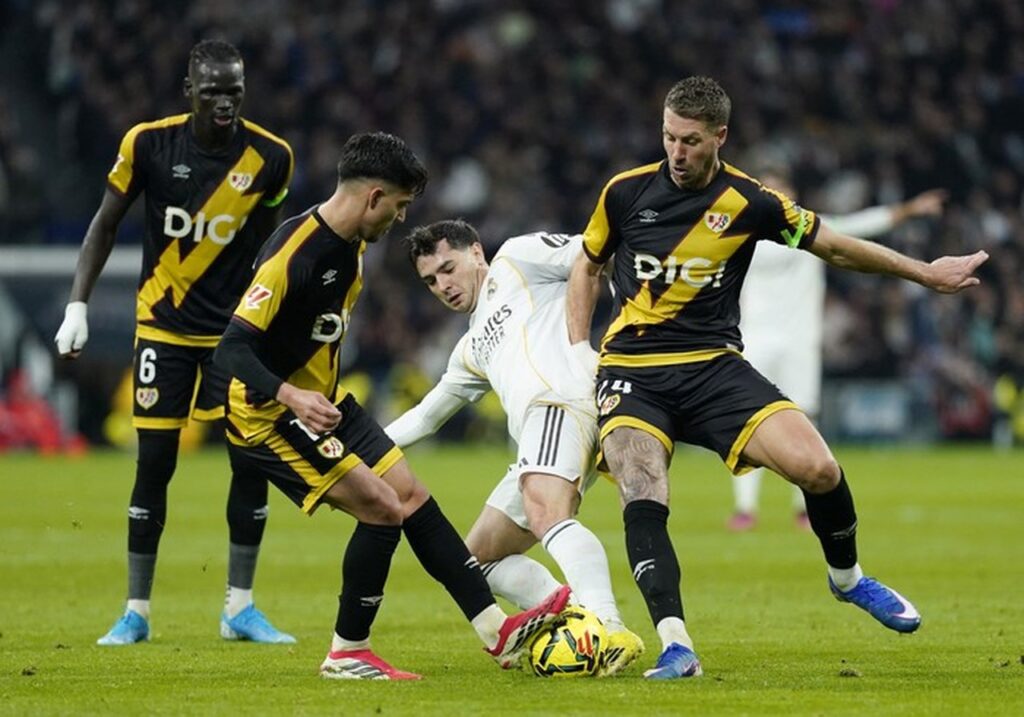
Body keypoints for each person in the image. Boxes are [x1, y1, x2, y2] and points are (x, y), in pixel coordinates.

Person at [566, 75, 988, 679]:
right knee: (642, 485)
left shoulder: (752, 202)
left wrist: (925, 272)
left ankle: (848, 579)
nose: (676, 153)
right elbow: (587, 266)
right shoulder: (625, 192)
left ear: (720, 136)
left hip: (714, 367)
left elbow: (834, 245)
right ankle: (676, 643)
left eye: (690, 141)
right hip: (634, 370)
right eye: (668, 137)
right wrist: (579, 351)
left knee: (819, 468)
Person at [214, 132, 570, 680]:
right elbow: (231, 348)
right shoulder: (294, 256)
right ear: (374, 197)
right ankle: (347, 652)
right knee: (382, 507)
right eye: (399, 206)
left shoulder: (351, 246)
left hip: (324, 402)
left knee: (412, 495)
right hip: (269, 413)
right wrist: (291, 395)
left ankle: (495, 630)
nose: (400, 219)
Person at [54, 40, 296, 646]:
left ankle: (240, 608)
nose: (224, 102)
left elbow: (270, 249)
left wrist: (271, 321)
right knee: (155, 464)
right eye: (212, 91)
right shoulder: (148, 144)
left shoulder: (272, 157)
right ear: (189, 91)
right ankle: (136, 612)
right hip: (163, 328)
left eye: (234, 91)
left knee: (250, 462)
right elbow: (105, 223)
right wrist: (77, 305)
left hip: (234, 337)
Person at [388, 220, 644, 676]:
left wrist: (596, 340)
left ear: (476, 253)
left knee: (547, 515)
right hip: (538, 433)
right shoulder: (470, 347)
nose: (443, 285)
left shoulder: (516, 258)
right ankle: (573, 617)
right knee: (475, 560)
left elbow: (593, 253)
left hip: (561, 401)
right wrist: (362, 445)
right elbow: (427, 416)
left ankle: (608, 626)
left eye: (448, 268)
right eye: (430, 280)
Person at [730, 169, 948, 531]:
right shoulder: (741, 235)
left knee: (804, 419)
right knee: (747, 423)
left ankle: (804, 507)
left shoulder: (809, 229)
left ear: (791, 194)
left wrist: (908, 210)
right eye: (768, 189)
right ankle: (745, 508)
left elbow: (860, 225)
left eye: (779, 189)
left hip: (800, 341)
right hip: (754, 339)